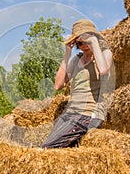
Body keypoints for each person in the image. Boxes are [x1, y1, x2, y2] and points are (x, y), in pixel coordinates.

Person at [41, 19, 113, 148]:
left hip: (88, 114)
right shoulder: (76, 60)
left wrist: (94, 42)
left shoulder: (105, 54)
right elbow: (58, 85)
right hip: (70, 114)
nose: (84, 45)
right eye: (80, 43)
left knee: (47, 149)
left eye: (87, 41)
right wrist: (67, 54)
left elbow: (103, 70)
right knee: (46, 149)